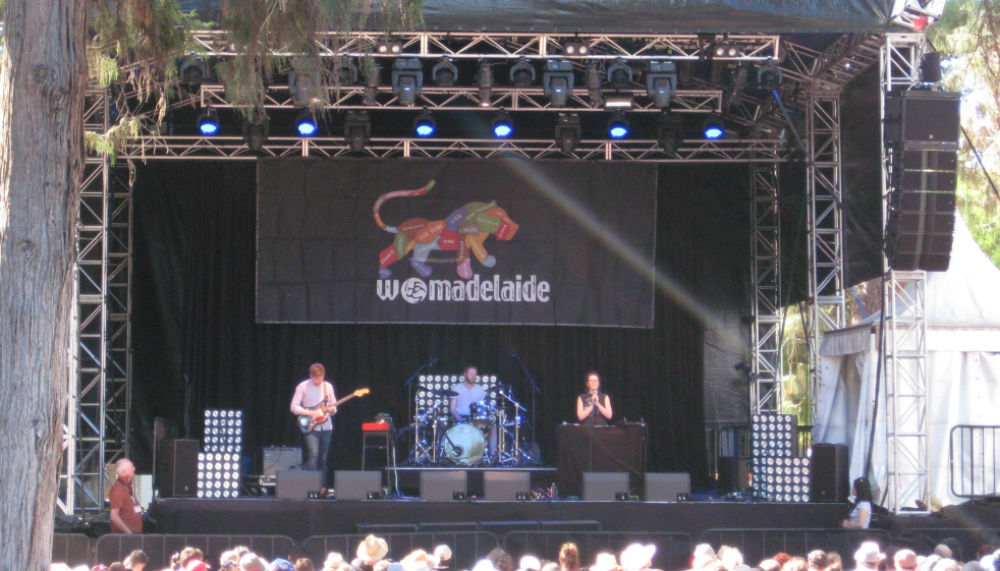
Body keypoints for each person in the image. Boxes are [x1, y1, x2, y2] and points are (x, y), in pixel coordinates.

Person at [290, 363, 338, 483]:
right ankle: (310, 486)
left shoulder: (328, 386)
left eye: (321, 378)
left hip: (326, 427)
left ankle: (322, 488)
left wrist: (333, 410)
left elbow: (333, 405)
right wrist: (310, 413)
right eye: (317, 378)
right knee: (313, 456)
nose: (319, 381)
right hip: (311, 426)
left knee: (323, 459)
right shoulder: (302, 387)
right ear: (311, 376)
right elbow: (293, 407)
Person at [449, 364, 497, 458]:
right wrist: (459, 419)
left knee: (493, 427)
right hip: (461, 417)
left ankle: (492, 456)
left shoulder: (480, 389)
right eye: (471, 374)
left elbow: (483, 408)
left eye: (474, 374)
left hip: (475, 418)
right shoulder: (457, 388)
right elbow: (452, 409)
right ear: (465, 374)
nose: (473, 376)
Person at [109, 458, 143, 534]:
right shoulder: (118, 489)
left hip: (133, 533)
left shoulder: (127, 487)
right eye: (131, 467)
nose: (134, 468)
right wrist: (129, 533)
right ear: (124, 471)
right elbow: (114, 516)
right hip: (125, 536)